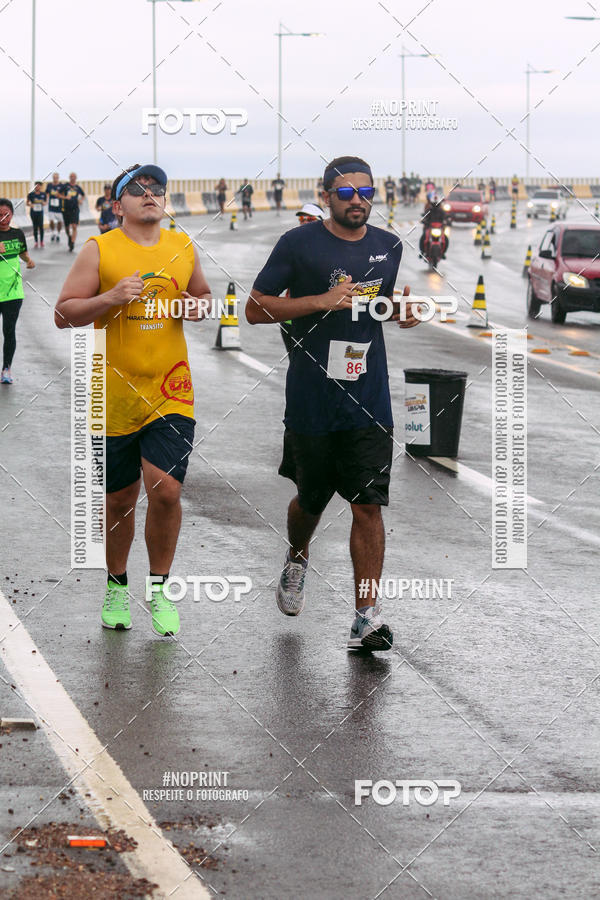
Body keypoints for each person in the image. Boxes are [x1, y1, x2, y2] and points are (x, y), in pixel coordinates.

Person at [246, 155, 420, 651]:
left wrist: (400, 311)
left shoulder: (389, 246)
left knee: (368, 505)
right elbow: (255, 309)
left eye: (366, 192)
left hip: (368, 398)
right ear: (326, 197)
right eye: (346, 193)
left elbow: (374, 307)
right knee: (311, 499)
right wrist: (319, 302)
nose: (357, 201)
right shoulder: (298, 244)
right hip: (312, 397)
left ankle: (367, 616)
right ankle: (297, 555)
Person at [55, 163, 212, 637]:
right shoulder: (100, 248)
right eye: (138, 188)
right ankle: (117, 584)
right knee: (120, 499)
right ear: (116, 203)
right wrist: (110, 298)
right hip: (112, 394)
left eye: (157, 188)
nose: (150, 194)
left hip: (170, 390)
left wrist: (198, 306)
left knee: (166, 490)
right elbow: (64, 314)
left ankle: (160, 589)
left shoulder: (182, 246)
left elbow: (204, 295)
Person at [279, 203, 327, 355]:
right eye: (302, 219)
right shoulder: (291, 246)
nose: (305, 223)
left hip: (320, 322)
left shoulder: (332, 248)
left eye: (310, 219)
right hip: (291, 321)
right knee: (297, 365)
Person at [0, 199, 35, 384]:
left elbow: (22, 252)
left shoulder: (18, 234)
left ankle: (6, 369)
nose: (3, 219)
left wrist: (28, 260)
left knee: (9, 331)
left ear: (12, 215)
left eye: (6, 215)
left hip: (13, 292)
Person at [60, 172, 85, 251]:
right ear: (69, 177)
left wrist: (81, 200)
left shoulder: (78, 187)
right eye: (71, 176)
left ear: (76, 178)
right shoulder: (65, 186)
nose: (72, 178)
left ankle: (72, 243)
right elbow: (58, 194)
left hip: (75, 209)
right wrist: (65, 197)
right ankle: (69, 237)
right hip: (66, 209)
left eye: (74, 176)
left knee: (74, 226)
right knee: (67, 227)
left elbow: (83, 195)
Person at [419, 193, 449, 258]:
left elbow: (445, 217)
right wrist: (424, 220)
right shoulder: (429, 210)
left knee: (446, 239)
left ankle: (443, 253)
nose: (435, 205)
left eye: (437, 204)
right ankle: (422, 252)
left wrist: (447, 221)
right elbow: (424, 217)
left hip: (439, 229)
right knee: (423, 237)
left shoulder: (441, 211)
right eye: (434, 203)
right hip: (429, 228)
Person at [26, 181, 47, 248]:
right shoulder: (31, 194)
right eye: (36, 185)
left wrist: (44, 203)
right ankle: (36, 241)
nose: (37, 187)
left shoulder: (43, 194)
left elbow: (45, 202)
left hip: (40, 212)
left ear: (40, 187)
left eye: (39, 185)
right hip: (33, 212)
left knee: (41, 227)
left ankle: (41, 241)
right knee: (35, 227)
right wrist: (31, 205)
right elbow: (27, 203)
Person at [46, 173, 63, 242]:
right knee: (51, 220)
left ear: (58, 178)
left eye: (56, 177)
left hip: (59, 207)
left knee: (60, 221)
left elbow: (64, 194)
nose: (55, 179)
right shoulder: (49, 185)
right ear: (52, 178)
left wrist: (60, 196)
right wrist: (46, 200)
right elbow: (47, 193)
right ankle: (53, 232)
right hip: (51, 206)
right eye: (54, 177)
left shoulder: (61, 186)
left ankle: (58, 233)